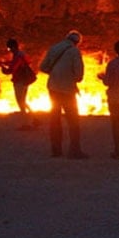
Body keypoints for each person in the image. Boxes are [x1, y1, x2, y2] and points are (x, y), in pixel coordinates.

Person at [39, 30, 88, 159]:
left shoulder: (54, 48)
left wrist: (55, 73)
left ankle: (56, 150)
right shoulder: (74, 51)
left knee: (55, 119)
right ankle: (74, 150)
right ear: (77, 42)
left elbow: (43, 67)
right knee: (73, 121)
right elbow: (79, 74)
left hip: (53, 88)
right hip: (68, 90)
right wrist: (72, 78)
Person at [0, 38, 37, 130]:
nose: (9, 50)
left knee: (20, 102)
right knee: (23, 101)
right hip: (25, 81)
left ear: (12, 47)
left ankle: (26, 124)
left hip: (19, 81)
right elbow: (16, 64)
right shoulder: (21, 54)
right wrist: (5, 63)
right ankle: (34, 118)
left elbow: (11, 69)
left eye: (9, 48)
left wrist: (3, 68)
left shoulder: (18, 56)